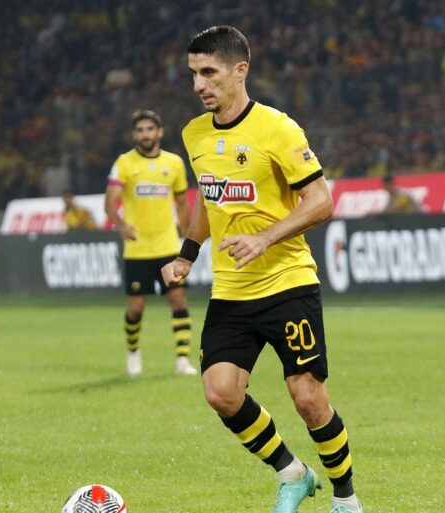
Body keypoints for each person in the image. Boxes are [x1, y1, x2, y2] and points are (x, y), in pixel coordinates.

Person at [161, 26, 363, 513]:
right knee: (221, 393)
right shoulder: (194, 134)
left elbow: (321, 201)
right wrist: (188, 253)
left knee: (308, 398)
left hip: (288, 283)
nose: (199, 84)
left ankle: (346, 499)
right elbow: (209, 198)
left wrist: (265, 237)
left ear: (240, 70)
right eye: (193, 74)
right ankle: (293, 473)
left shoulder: (278, 129)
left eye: (208, 72)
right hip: (232, 291)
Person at [104, 109, 196, 377]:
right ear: (134, 135)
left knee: (178, 300)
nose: (145, 134)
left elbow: (182, 203)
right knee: (136, 307)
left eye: (149, 129)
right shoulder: (124, 163)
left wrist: (188, 237)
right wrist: (121, 225)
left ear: (159, 132)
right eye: (140, 130)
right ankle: (133, 352)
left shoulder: (174, 163)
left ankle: (182, 360)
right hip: (138, 249)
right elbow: (110, 201)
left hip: (168, 246)